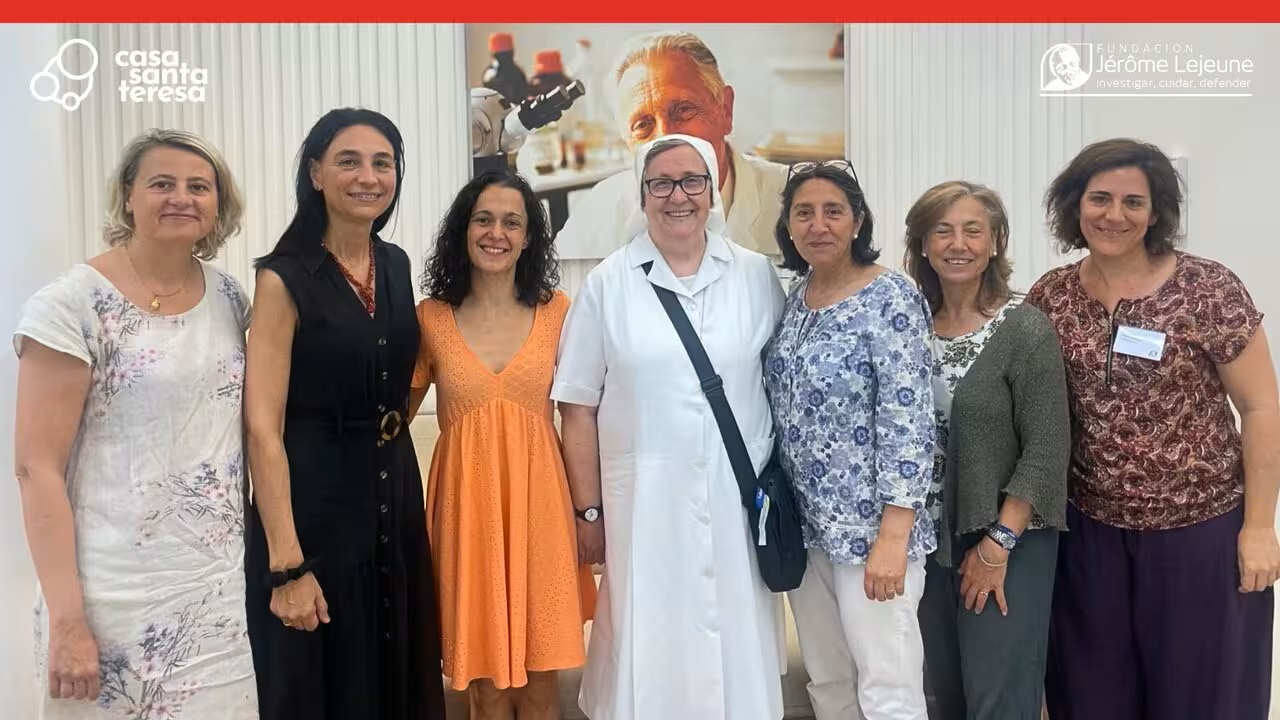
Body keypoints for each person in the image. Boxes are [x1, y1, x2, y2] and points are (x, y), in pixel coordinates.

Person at [1028, 138, 1280, 720]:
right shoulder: (1051, 296)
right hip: (1090, 534)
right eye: (1100, 198)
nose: (1114, 215)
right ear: (1075, 204)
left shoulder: (1208, 289)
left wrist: (1259, 527)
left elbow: (1261, 407)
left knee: (1201, 695)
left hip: (1199, 531)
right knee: (1092, 695)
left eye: (1133, 202)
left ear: (1156, 211)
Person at [12, 129, 257, 717]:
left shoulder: (230, 297)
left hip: (214, 597)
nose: (182, 197)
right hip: (109, 597)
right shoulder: (71, 304)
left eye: (199, 186)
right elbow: (35, 468)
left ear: (218, 202)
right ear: (127, 195)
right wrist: (68, 620)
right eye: (162, 183)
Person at [552, 133, 787, 720]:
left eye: (692, 181)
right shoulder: (608, 283)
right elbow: (576, 408)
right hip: (642, 509)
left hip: (735, 503)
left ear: (712, 191)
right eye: (661, 183)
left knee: (733, 644)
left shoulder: (756, 275)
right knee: (647, 644)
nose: (677, 196)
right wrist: (588, 513)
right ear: (642, 194)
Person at [242, 108, 446, 719]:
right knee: (323, 675)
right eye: (348, 161)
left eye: (383, 163)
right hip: (316, 505)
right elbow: (261, 427)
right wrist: (287, 565)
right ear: (315, 173)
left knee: (393, 664)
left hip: (393, 489)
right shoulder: (283, 278)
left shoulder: (397, 264)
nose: (368, 177)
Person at [408, 168, 595, 719]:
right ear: (463, 230)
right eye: (483, 219)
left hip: (541, 512)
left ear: (529, 236)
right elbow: (391, 418)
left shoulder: (559, 312)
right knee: (484, 689)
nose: (497, 233)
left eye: (512, 222)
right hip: (466, 516)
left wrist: (590, 513)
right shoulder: (430, 318)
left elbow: (583, 417)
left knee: (541, 685)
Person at [762, 159, 934, 720]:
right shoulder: (797, 297)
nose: (818, 225)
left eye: (833, 211)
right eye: (804, 213)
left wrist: (894, 536)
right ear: (788, 226)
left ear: (858, 221)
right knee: (830, 681)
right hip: (808, 529)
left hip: (872, 531)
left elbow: (909, 420)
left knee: (888, 687)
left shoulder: (892, 297)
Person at [902, 181, 1070, 720]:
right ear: (922, 244)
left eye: (973, 231)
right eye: (942, 231)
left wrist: (998, 545)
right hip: (925, 541)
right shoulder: (907, 325)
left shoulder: (1025, 328)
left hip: (1005, 536)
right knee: (942, 693)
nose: (958, 244)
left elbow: (1047, 448)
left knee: (999, 697)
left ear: (995, 241)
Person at [553, 30, 789, 260]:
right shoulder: (597, 214)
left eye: (684, 110)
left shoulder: (791, 198)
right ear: (628, 143)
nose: (665, 138)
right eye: (643, 125)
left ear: (725, 111)